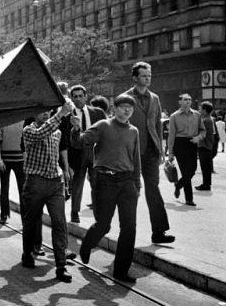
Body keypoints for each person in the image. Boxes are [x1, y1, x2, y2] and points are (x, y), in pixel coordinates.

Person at [74, 95, 142, 283]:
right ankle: (88, 243)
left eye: (130, 108)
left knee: (129, 227)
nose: (126, 111)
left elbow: (136, 159)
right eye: (123, 107)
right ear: (115, 108)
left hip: (127, 182)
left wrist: (137, 184)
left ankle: (121, 271)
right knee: (104, 224)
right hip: (105, 181)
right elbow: (80, 142)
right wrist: (76, 128)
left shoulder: (134, 131)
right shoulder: (104, 125)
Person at [21, 101, 75, 282]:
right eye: (41, 111)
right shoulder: (29, 131)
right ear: (34, 114)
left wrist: (64, 177)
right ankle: (27, 252)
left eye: (48, 111)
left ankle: (61, 265)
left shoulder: (57, 132)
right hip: (35, 182)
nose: (46, 114)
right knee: (31, 221)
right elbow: (41, 133)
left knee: (60, 222)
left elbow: (59, 155)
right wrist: (60, 114)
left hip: (55, 183)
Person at [121, 62, 175, 244]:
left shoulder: (155, 98)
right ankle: (127, 234)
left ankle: (159, 231)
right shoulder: (124, 98)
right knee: (131, 193)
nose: (148, 78)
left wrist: (161, 150)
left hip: (151, 151)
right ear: (135, 77)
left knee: (153, 190)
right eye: (144, 75)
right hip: (131, 152)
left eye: (149, 75)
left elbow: (158, 125)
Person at [62, 85, 107, 222]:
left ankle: (99, 216)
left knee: (97, 185)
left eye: (81, 96)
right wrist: (66, 164)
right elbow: (64, 140)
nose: (78, 99)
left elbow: (106, 132)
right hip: (76, 154)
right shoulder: (67, 117)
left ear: (86, 97)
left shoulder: (97, 113)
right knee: (77, 186)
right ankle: (74, 213)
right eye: (75, 96)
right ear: (71, 98)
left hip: (95, 153)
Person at [167, 93, 205, 206]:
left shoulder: (197, 115)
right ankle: (189, 199)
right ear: (180, 102)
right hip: (180, 144)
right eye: (185, 99)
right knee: (185, 171)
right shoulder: (174, 116)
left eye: (189, 99)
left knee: (192, 170)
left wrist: (198, 138)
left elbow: (203, 130)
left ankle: (178, 185)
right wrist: (171, 152)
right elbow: (171, 135)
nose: (188, 101)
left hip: (192, 143)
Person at [0, 120, 26, 225]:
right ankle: (3, 214)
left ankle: (25, 217)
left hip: (20, 160)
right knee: (4, 188)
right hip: (5, 160)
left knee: (23, 189)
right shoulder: (3, 119)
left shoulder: (24, 119)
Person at [195, 101, 216, 191]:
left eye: (200, 109)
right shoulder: (209, 119)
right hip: (207, 145)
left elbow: (202, 133)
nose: (199, 110)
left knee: (205, 167)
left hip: (204, 146)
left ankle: (206, 185)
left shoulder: (206, 120)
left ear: (205, 110)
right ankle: (206, 184)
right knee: (206, 167)